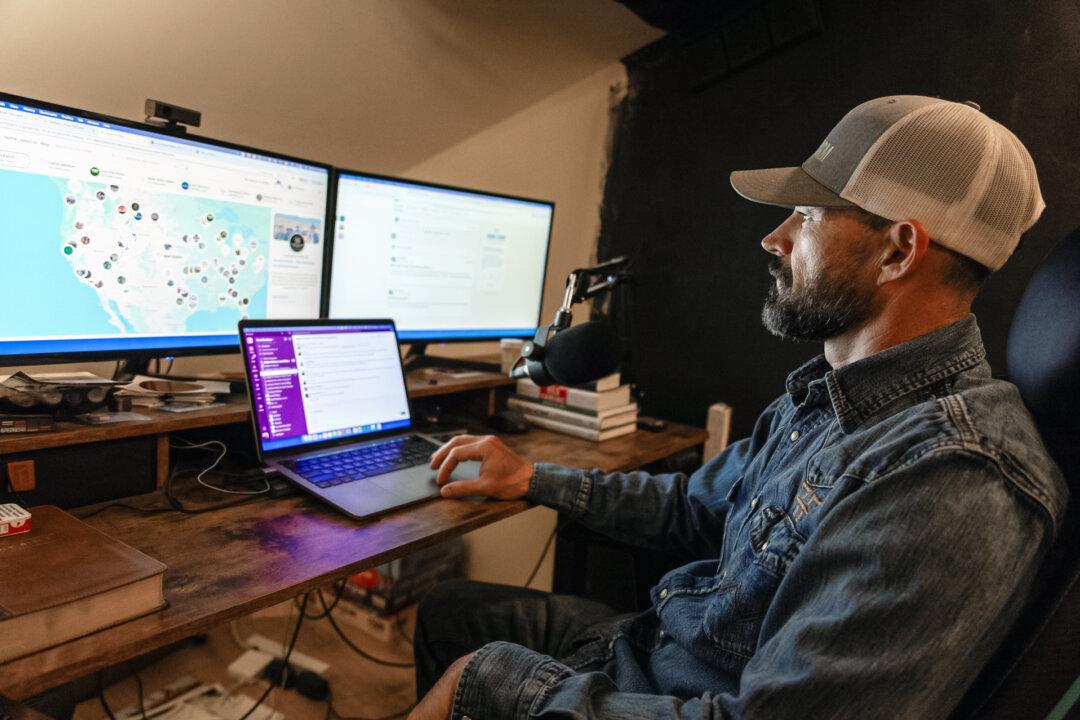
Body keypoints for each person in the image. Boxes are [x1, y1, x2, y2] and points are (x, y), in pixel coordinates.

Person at [407, 96, 1068, 720]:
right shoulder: (829, 393)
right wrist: (532, 479)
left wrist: (501, 684)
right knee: (449, 611)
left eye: (806, 215)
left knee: (479, 664)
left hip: (682, 694)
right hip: (660, 650)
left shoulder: (950, 482)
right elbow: (696, 508)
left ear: (898, 249)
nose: (773, 238)